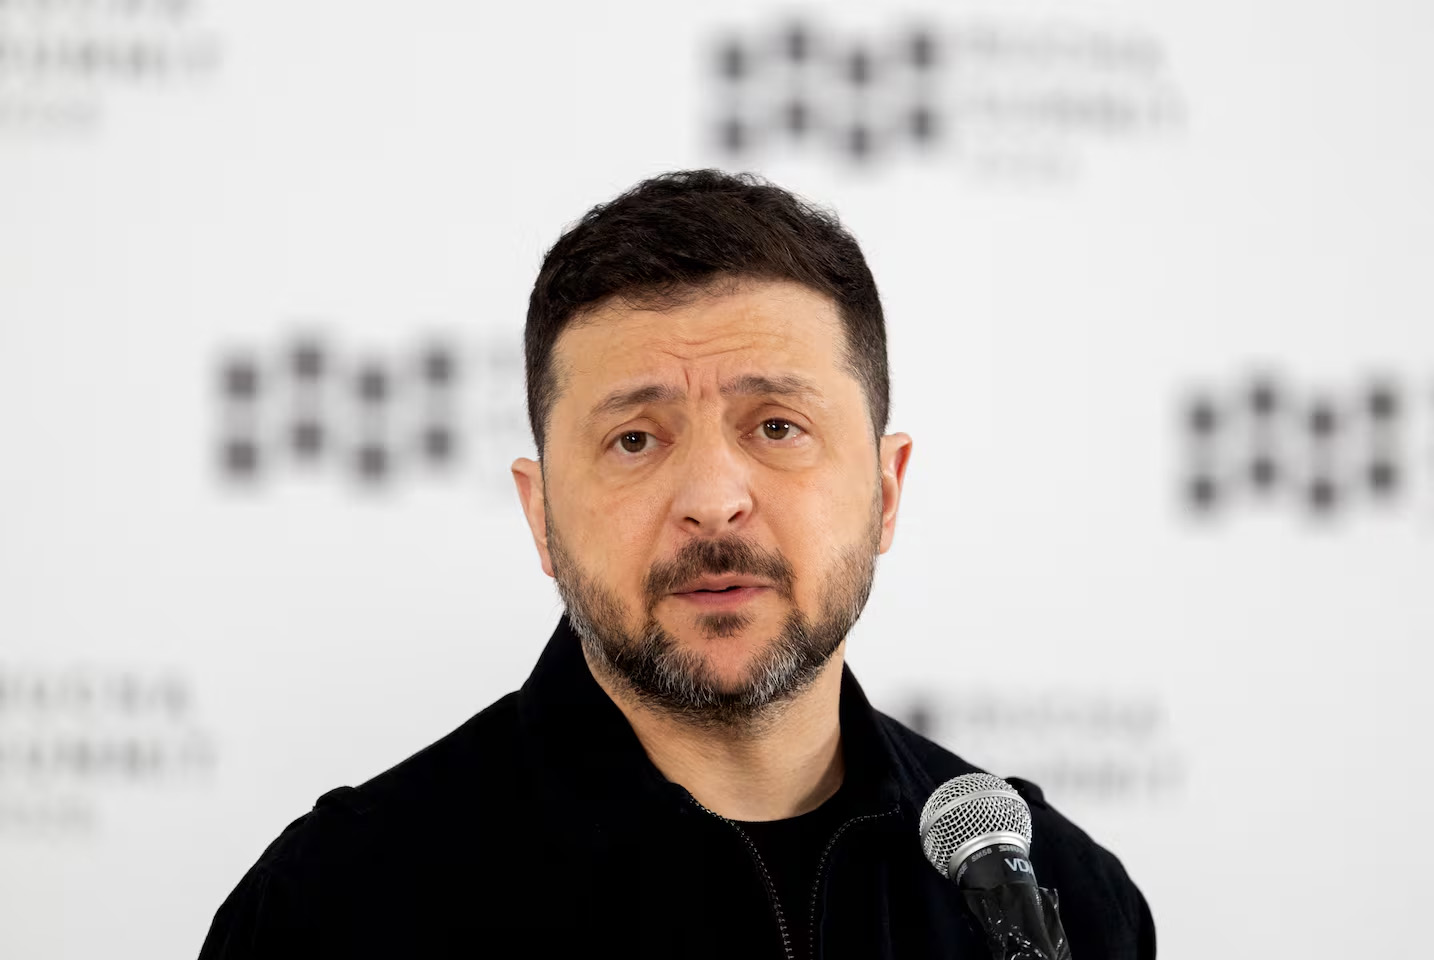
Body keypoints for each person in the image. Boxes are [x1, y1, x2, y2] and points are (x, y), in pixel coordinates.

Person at [199, 170, 1155, 959]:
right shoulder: (337, 909)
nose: (711, 497)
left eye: (776, 426)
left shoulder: (1062, 898)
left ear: (885, 491)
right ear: (541, 515)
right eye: (634, 439)